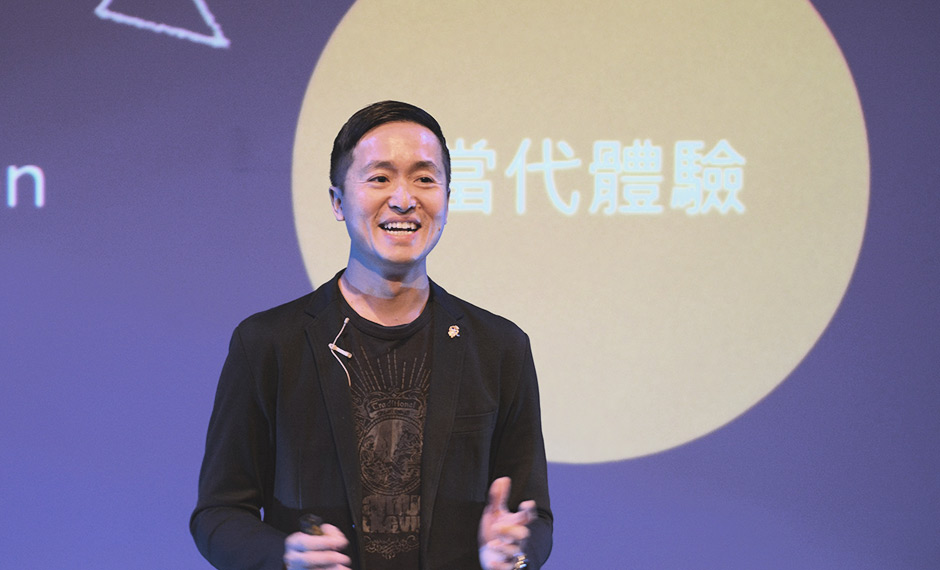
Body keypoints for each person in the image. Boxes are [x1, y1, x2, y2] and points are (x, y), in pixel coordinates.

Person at [190, 101, 552, 570]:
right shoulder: (269, 344)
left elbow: (532, 517)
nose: (404, 199)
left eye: (424, 179)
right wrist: (283, 557)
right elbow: (219, 514)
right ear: (338, 201)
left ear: (447, 197)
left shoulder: (499, 347)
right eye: (380, 178)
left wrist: (513, 551)